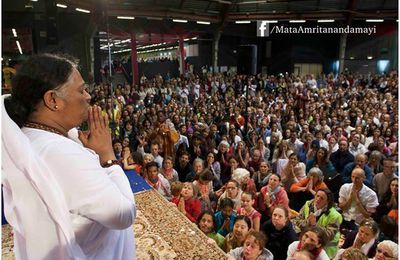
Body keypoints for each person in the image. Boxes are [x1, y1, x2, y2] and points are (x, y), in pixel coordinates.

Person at [2, 54, 136, 259]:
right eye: (81, 90)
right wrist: (108, 157)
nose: (88, 96)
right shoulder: (61, 153)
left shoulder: (31, 136)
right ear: (53, 100)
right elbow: (122, 215)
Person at [292, 189, 342, 258]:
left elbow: (328, 235)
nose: (318, 199)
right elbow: (297, 219)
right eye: (317, 196)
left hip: (325, 249)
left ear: (327, 201)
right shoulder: (308, 204)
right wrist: (307, 223)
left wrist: (314, 225)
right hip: (307, 243)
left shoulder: (335, 215)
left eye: (322, 198)